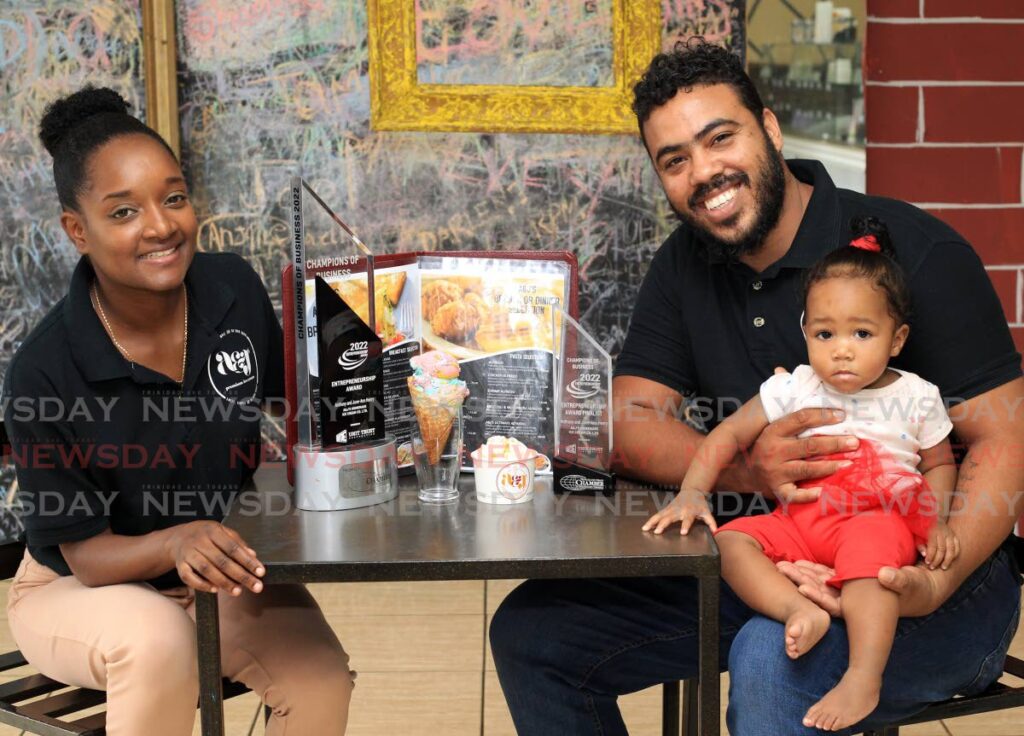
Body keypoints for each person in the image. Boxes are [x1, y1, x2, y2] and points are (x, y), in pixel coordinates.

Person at [490, 39, 1024, 735]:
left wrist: (930, 582)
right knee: (537, 635)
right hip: (776, 556)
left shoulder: (915, 253)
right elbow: (629, 417)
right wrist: (754, 468)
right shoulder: (683, 265)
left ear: (769, 130)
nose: (704, 172)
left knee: (773, 657)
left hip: (933, 580)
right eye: (674, 160)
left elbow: (1004, 439)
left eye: (720, 138)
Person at [2, 86, 353, 736]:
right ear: (77, 230)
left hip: (211, 566)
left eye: (173, 198)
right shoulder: (44, 369)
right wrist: (177, 542)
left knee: (321, 676)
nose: (161, 226)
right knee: (159, 641)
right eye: (124, 211)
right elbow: (82, 555)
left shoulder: (233, 291)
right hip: (76, 590)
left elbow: (293, 409)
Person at [643, 217, 960, 731]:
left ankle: (863, 675)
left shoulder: (915, 395)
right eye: (824, 333)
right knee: (730, 543)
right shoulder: (796, 386)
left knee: (873, 568)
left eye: (862, 333)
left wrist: (937, 525)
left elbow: (940, 463)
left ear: (897, 338)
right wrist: (692, 492)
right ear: (804, 332)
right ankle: (799, 611)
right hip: (799, 520)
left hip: (873, 519)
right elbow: (726, 435)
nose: (841, 349)